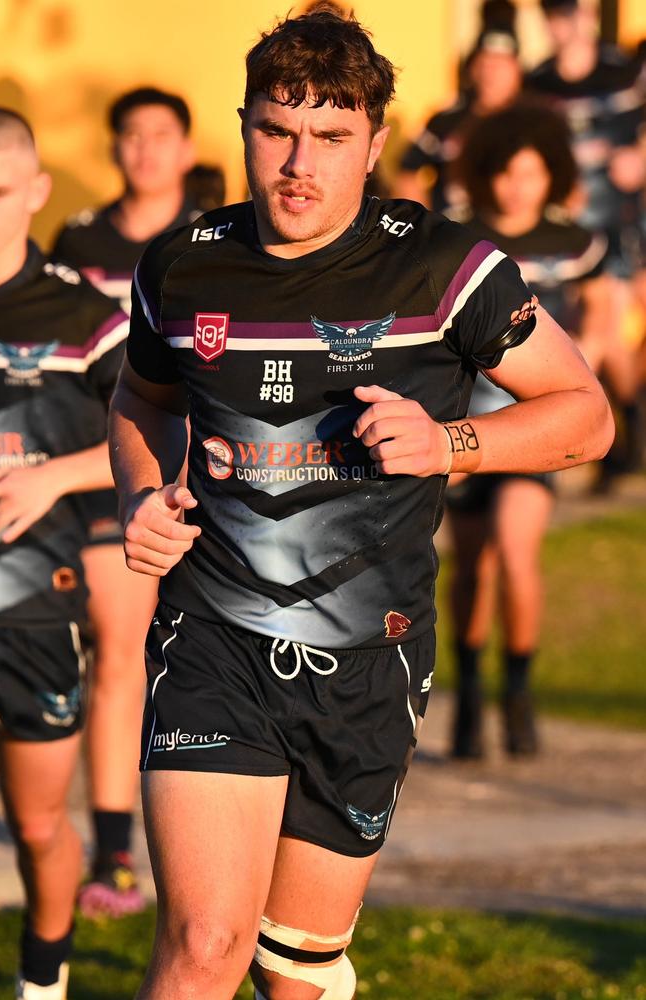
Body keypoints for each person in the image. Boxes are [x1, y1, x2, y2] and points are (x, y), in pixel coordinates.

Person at [108, 10, 613, 998]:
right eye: (276, 130)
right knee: (205, 942)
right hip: (215, 635)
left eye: (330, 137)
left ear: (374, 142)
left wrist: (446, 444)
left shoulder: (441, 266)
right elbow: (139, 396)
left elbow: (583, 415)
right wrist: (141, 489)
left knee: (293, 973)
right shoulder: (183, 264)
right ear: (244, 123)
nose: (299, 164)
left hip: (369, 656)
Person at [51, 86, 198, 917]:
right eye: (129, 136)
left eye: (159, 136)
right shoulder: (79, 241)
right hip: (91, 462)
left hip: (187, 475)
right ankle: (104, 846)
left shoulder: (211, 237)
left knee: (125, 648)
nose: (144, 150)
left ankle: (118, 852)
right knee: (105, 646)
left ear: (184, 147)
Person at [0, 108, 127, 998]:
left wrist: (53, 478)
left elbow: (161, 435)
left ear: (37, 192)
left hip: (33, 604)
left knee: (39, 826)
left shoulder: (86, 316)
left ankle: (45, 979)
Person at [445, 104, 611, 757]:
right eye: (506, 172)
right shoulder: (457, 240)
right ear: (485, 173)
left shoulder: (573, 244)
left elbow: (601, 316)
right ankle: (470, 695)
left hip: (535, 425)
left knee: (516, 554)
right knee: (469, 569)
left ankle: (518, 688)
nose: (517, 186)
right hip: (462, 423)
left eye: (531, 173)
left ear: (553, 174)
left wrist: (580, 385)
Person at [528, 0, 646, 479]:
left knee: (612, 335)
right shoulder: (536, 82)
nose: (563, 25)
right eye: (553, 15)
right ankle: (616, 431)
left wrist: (639, 157)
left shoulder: (623, 74)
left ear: (588, 16)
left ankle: (620, 429)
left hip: (620, 224)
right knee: (585, 334)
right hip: (564, 233)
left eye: (570, 13)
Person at [395, 3, 523, 213]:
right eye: (485, 64)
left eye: (500, 65)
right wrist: (424, 230)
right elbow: (408, 172)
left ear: (516, 70)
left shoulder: (533, 123)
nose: (491, 74)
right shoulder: (446, 121)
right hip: (454, 236)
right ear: (473, 69)